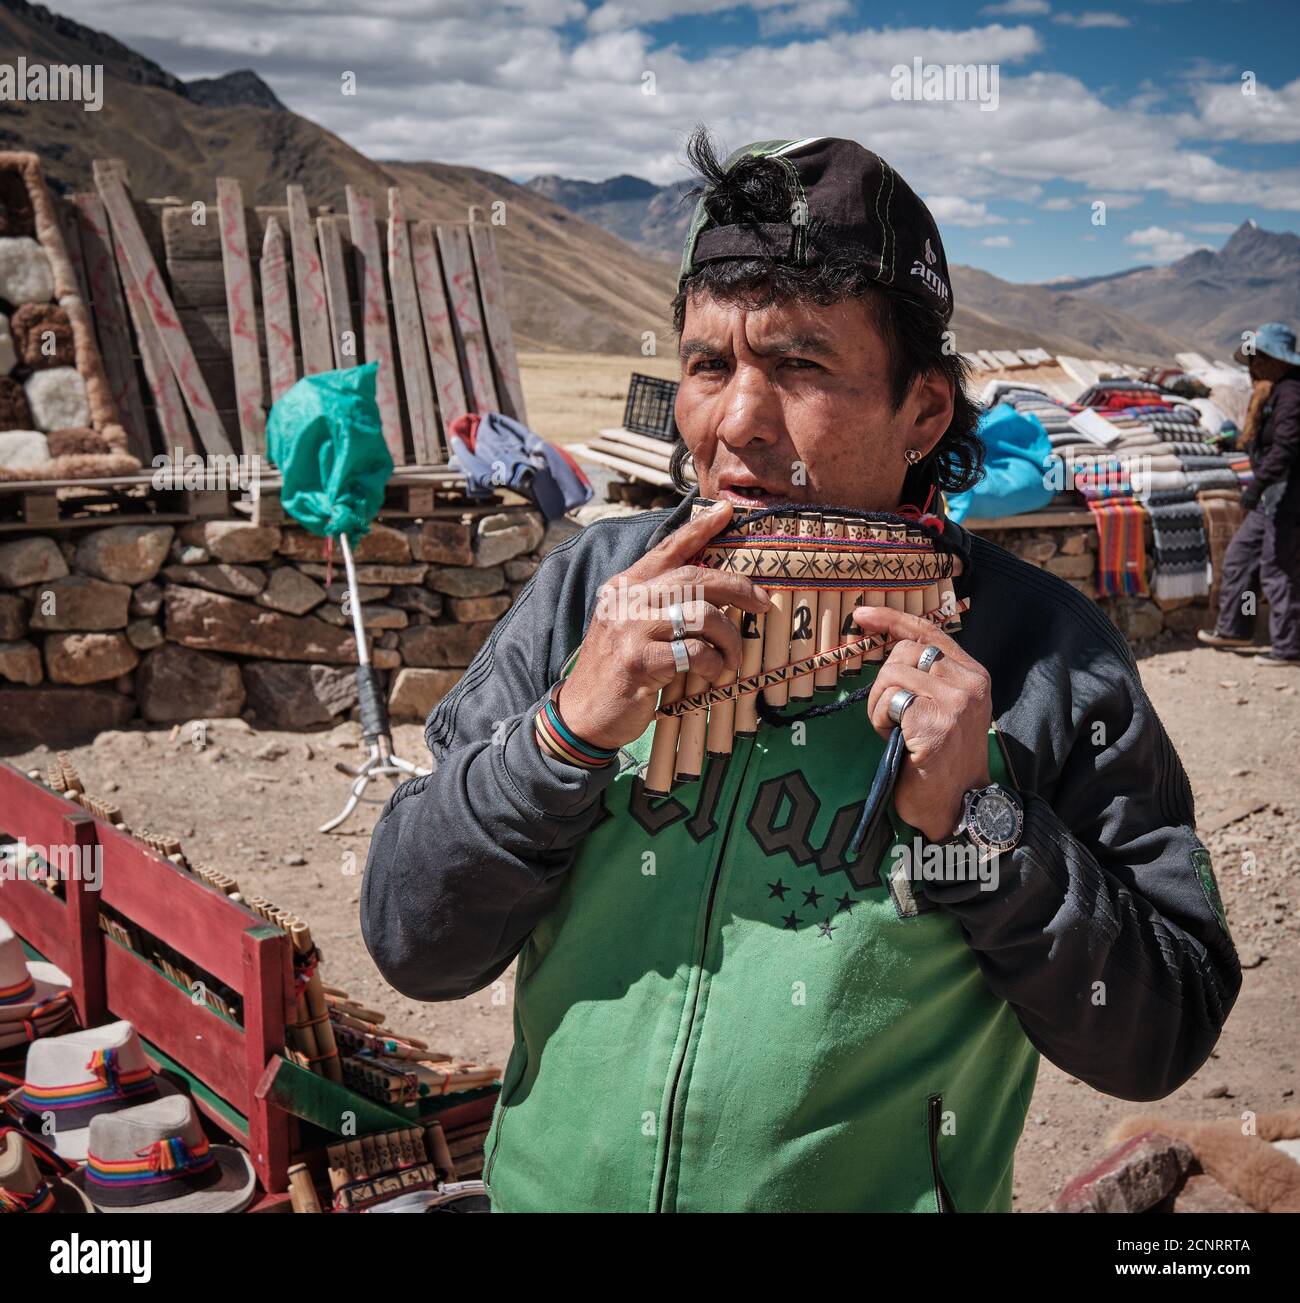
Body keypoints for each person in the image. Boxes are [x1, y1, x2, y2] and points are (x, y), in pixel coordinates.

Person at [361, 132, 1240, 1212]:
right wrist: (566, 735)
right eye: (708, 364)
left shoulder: (1041, 653)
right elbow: (414, 942)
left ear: (923, 409)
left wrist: (982, 824)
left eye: (798, 366)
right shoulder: (588, 589)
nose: (735, 421)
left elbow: (1160, 1033)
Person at [1198, 322, 1300, 665]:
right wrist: (1231, 442)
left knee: (1278, 566)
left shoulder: (1292, 393)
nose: (1252, 367)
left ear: (1276, 360)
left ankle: (1289, 647)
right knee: (1241, 556)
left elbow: (1286, 447)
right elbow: (1264, 441)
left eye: (1258, 359)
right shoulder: (1271, 395)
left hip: (1288, 496)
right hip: (1272, 494)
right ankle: (1236, 628)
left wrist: (1255, 487)